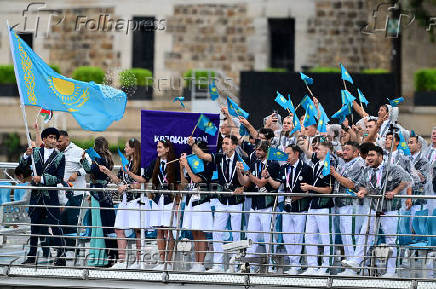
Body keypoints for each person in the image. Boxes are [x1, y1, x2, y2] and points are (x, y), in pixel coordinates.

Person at [342, 146, 411, 277]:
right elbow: (364, 185)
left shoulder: (393, 168)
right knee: (365, 235)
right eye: (368, 155)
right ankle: (356, 261)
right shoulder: (367, 170)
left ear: (380, 156)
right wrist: (363, 191)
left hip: (390, 210)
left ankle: (391, 272)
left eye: (372, 155)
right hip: (373, 208)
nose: (369, 158)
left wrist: (395, 191)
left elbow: (407, 180)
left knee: (390, 240)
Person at [188, 135, 245, 273]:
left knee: (236, 234)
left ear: (234, 146)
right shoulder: (219, 157)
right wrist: (193, 144)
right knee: (217, 232)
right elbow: (202, 155)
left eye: (226, 143)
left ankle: (235, 265)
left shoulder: (242, 159)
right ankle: (218, 265)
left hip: (235, 202)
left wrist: (240, 181)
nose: (224, 145)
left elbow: (244, 182)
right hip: (221, 201)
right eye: (223, 143)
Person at [129, 139, 180, 270]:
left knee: (169, 232)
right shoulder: (155, 162)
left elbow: (179, 184)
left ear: (167, 149)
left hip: (169, 200)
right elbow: (143, 179)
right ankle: (162, 261)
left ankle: (169, 263)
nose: (158, 150)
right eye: (157, 147)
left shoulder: (174, 163)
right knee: (159, 231)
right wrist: (129, 174)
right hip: (158, 201)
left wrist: (178, 201)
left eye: (160, 147)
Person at [19, 127, 67, 266]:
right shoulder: (35, 153)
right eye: (50, 138)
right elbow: (21, 168)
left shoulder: (60, 157)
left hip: (51, 196)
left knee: (56, 226)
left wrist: (42, 179)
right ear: (44, 139)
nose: (53, 140)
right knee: (34, 227)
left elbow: (59, 178)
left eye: (55, 138)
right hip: (36, 196)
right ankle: (31, 256)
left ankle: (61, 256)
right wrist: (26, 156)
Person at [100, 138, 147, 269]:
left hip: (137, 200)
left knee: (138, 231)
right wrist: (108, 172)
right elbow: (119, 181)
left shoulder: (140, 163)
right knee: (119, 229)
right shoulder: (125, 163)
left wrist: (126, 187)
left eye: (127, 147)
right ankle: (121, 261)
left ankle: (139, 261)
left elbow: (140, 184)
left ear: (133, 148)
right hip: (125, 201)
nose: (125, 149)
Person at [269, 144, 313, 275]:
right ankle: (294, 263)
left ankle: (296, 264)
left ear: (296, 154)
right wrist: (268, 177)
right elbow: (277, 185)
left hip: (300, 208)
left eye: (288, 153)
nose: (285, 156)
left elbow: (309, 190)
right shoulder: (284, 168)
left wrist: (296, 197)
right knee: (287, 236)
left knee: (297, 237)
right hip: (287, 207)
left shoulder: (306, 168)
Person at [236, 141, 280, 272]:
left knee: (269, 236)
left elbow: (261, 184)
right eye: (256, 149)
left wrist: (248, 173)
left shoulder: (273, 164)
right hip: (255, 205)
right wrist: (239, 172)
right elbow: (246, 182)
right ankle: (250, 264)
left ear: (266, 150)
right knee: (251, 236)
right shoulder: (254, 163)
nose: (257, 152)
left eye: (260, 150)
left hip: (268, 205)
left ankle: (272, 264)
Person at [80, 136, 117, 267]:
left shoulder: (101, 159)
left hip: (97, 192)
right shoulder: (108, 158)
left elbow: (91, 170)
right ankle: (102, 257)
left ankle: (100, 258)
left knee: (98, 225)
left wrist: (85, 159)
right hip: (102, 190)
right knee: (100, 224)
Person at [300, 140, 336, 276]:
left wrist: (310, 187)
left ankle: (326, 266)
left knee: (326, 238)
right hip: (313, 205)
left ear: (326, 151)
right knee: (309, 236)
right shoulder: (315, 165)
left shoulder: (329, 166)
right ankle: (312, 266)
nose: (315, 151)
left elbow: (328, 190)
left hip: (324, 206)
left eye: (318, 149)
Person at [330, 141, 365, 276]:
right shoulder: (345, 163)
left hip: (352, 205)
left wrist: (335, 174)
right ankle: (349, 266)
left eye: (347, 150)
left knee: (351, 236)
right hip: (341, 204)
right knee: (345, 237)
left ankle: (354, 267)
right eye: (343, 149)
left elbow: (351, 184)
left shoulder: (358, 163)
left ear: (356, 152)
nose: (344, 152)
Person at [179, 147, 214, 272]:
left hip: (202, 202)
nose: (193, 155)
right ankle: (196, 262)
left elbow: (196, 180)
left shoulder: (206, 165)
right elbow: (184, 184)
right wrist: (181, 167)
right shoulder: (191, 166)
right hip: (190, 202)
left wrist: (187, 166)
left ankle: (201, 263)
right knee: (194, 232)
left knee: (201, 233)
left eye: (196, 153)